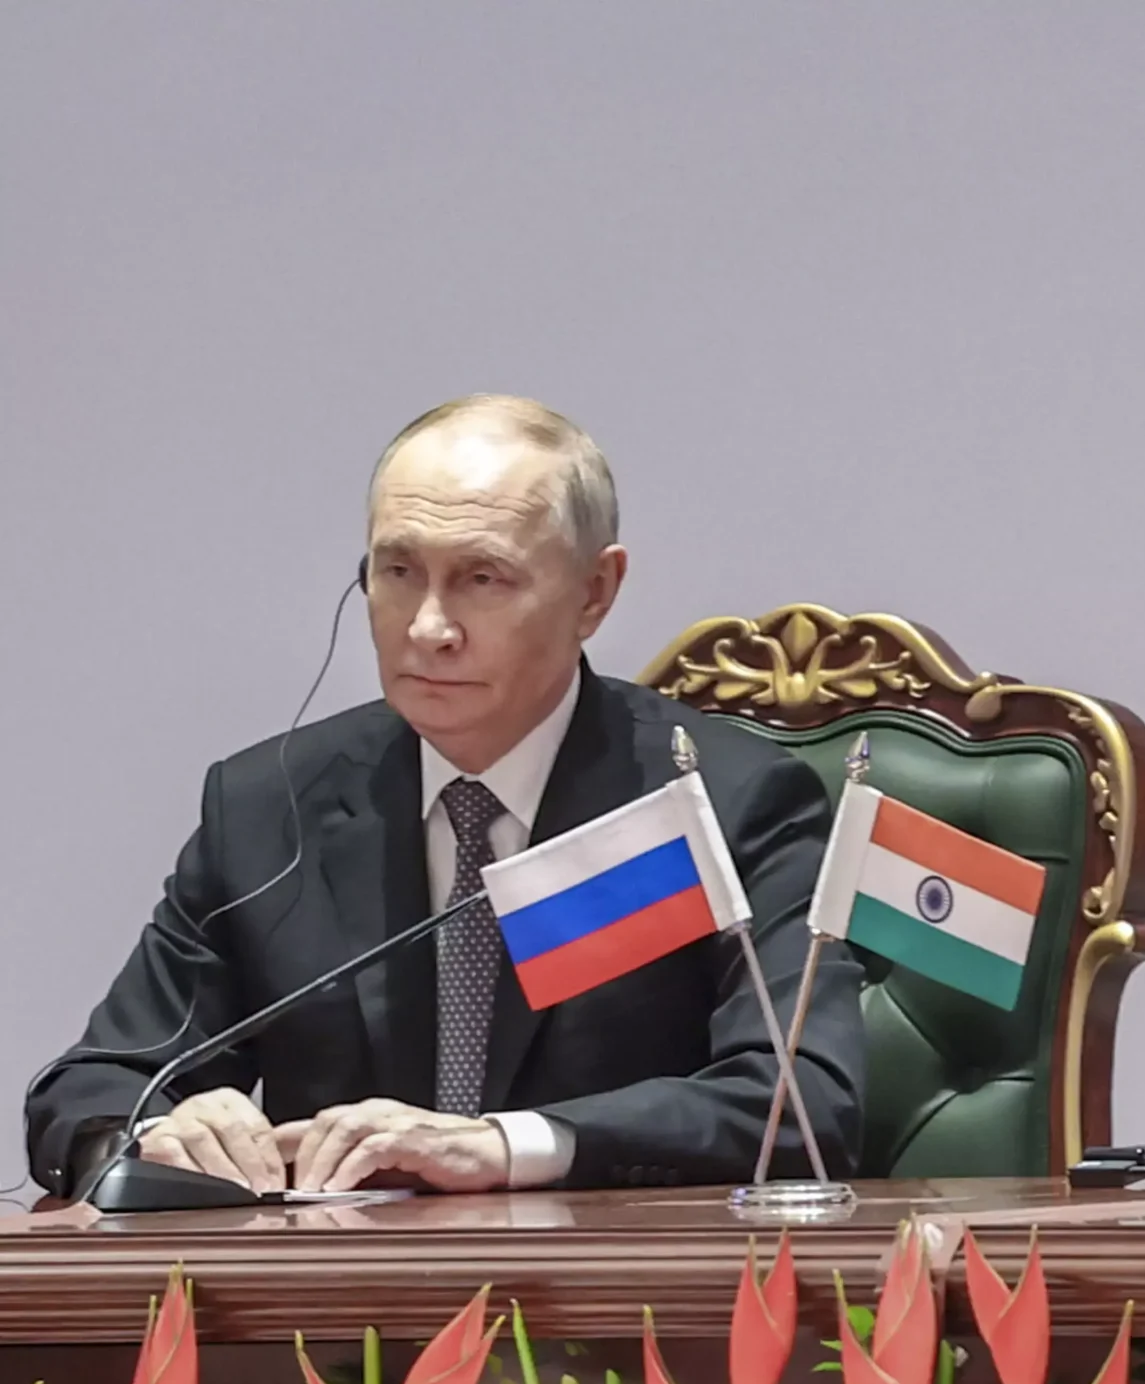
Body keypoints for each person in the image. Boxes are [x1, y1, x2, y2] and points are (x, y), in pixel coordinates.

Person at [25, 396, 866, 1196]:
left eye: (482, 578)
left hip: (609, 1306)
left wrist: (504, 1144)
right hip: (325, 1317)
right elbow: (91, 1087)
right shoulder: (266, 807)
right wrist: (153, 1133)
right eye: (398, 571)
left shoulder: (721, 803)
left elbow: (800, 1102)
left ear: (594, 593)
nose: (428, 626)